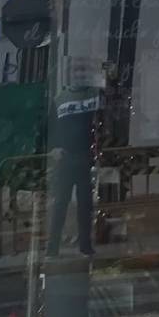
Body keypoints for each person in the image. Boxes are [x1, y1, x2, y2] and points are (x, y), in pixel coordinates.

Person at [45, 91, 98, 258]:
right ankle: (53, 247)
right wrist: (54, 148)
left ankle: (84, 245)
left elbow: (95, 125)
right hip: (66, 158)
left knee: (84, 204)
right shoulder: (59, 99)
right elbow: (51, 127)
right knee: (61, 203)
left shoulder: (90, 97)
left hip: (82, 157)